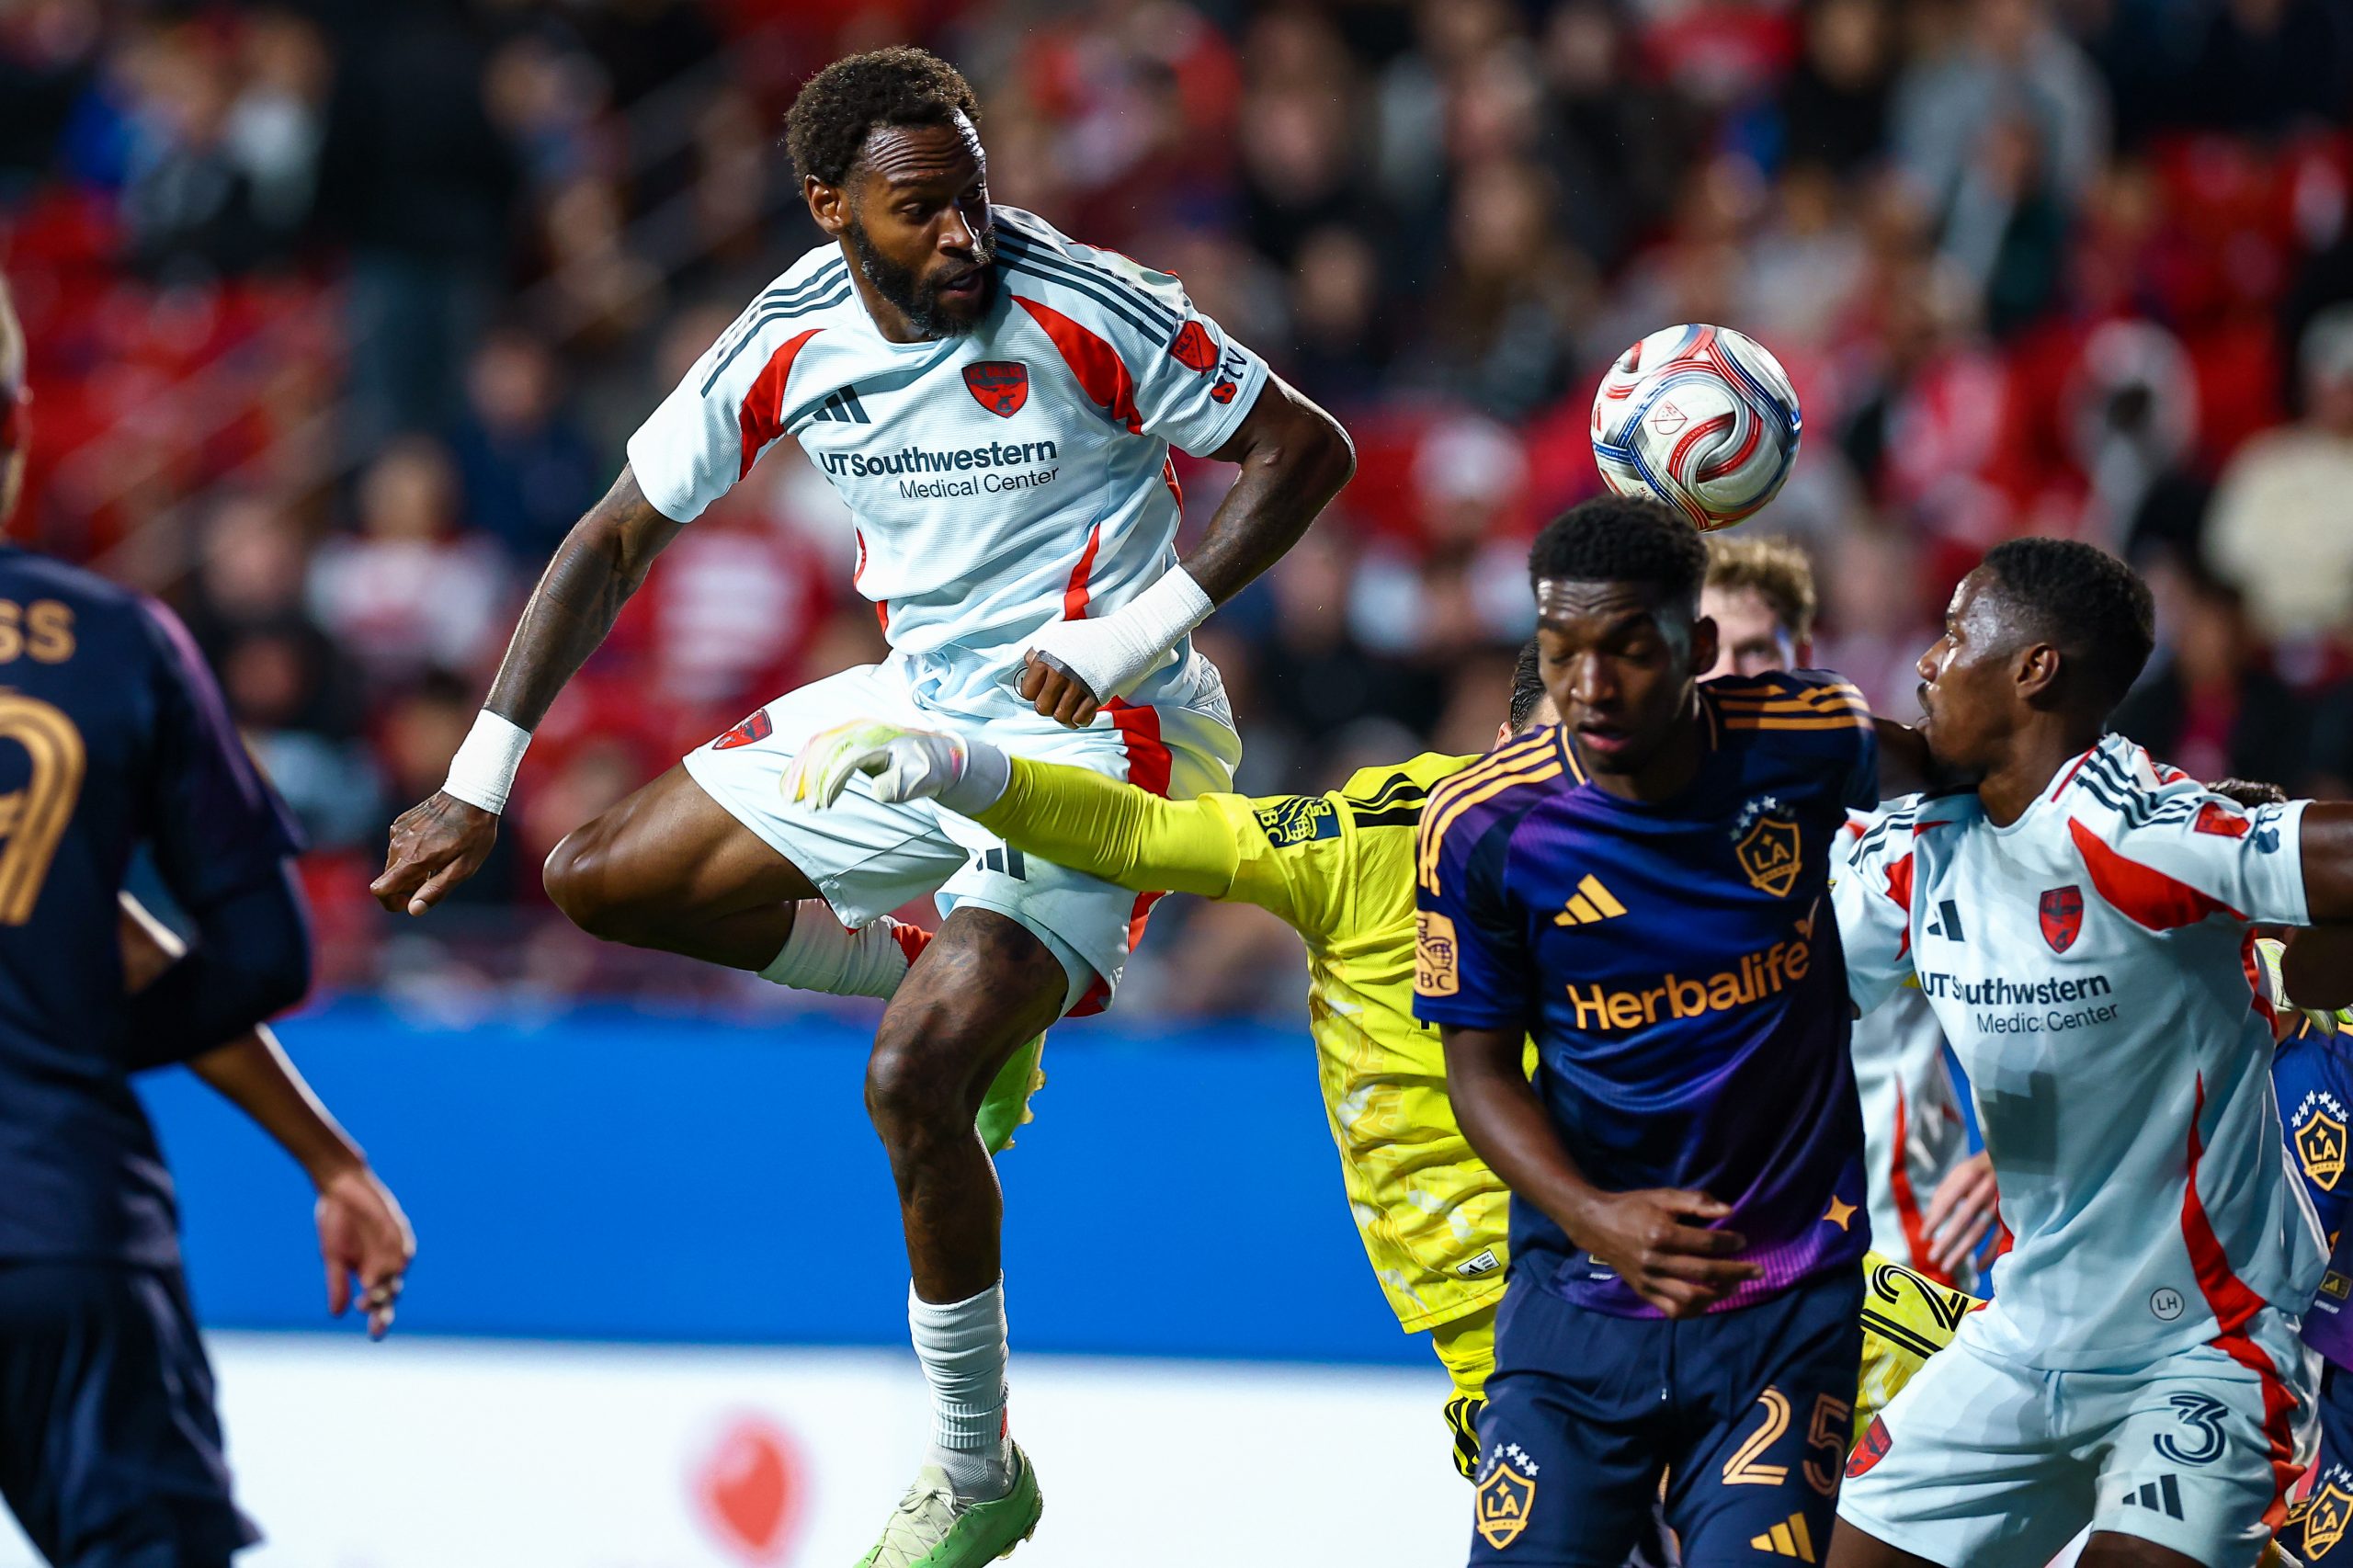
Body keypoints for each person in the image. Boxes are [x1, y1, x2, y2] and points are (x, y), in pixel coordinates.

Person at [368, 46, 1352, 1567]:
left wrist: (1134, 630)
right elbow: (615, 536)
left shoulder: (1090, 300)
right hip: (919, 700)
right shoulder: (786, 337)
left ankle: (975, 1472)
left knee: (910, 1083)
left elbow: (1307, 448)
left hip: (1113, 730)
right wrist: (473, 780)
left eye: (973, 197)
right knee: (599, 876)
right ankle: (953, 970)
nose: (967, 235)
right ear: (833, 209)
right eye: (922, 211)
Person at [1828, 538, 2353, 1568]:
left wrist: (2313, 941)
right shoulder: (1912, 850)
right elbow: (1767, 970)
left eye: (1951, 633)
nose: (1926, 663)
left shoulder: (2140, 831)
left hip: (2204, 1349)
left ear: (2033, 668)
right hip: (2022, 1336)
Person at [0, 276, 413, 1567]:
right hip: (59, 1217)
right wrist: (328, 1157)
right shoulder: (116, 646)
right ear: (16, 425)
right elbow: (257, 951)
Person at [1413, 496, 1884, 1565]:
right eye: (1561, 650)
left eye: (1628, 647)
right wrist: (1596, 1215)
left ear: (1698, 646)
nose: (1590, 685)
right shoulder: (1483, 828)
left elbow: (1977, 772)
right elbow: (1479, 1073)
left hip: (1782, 1302)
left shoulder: (1808, 741)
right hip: (1573, 1313)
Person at [1707, 536, 1985, 1289]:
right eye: (1713, 652)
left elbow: (2063, 974)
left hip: (1896, 1257)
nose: (1734, 676)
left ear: (1803, 652)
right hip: (1730, 1266)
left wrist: (2025, 1147)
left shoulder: (1894, 841)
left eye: (1758, 649)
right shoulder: (1638, 851)